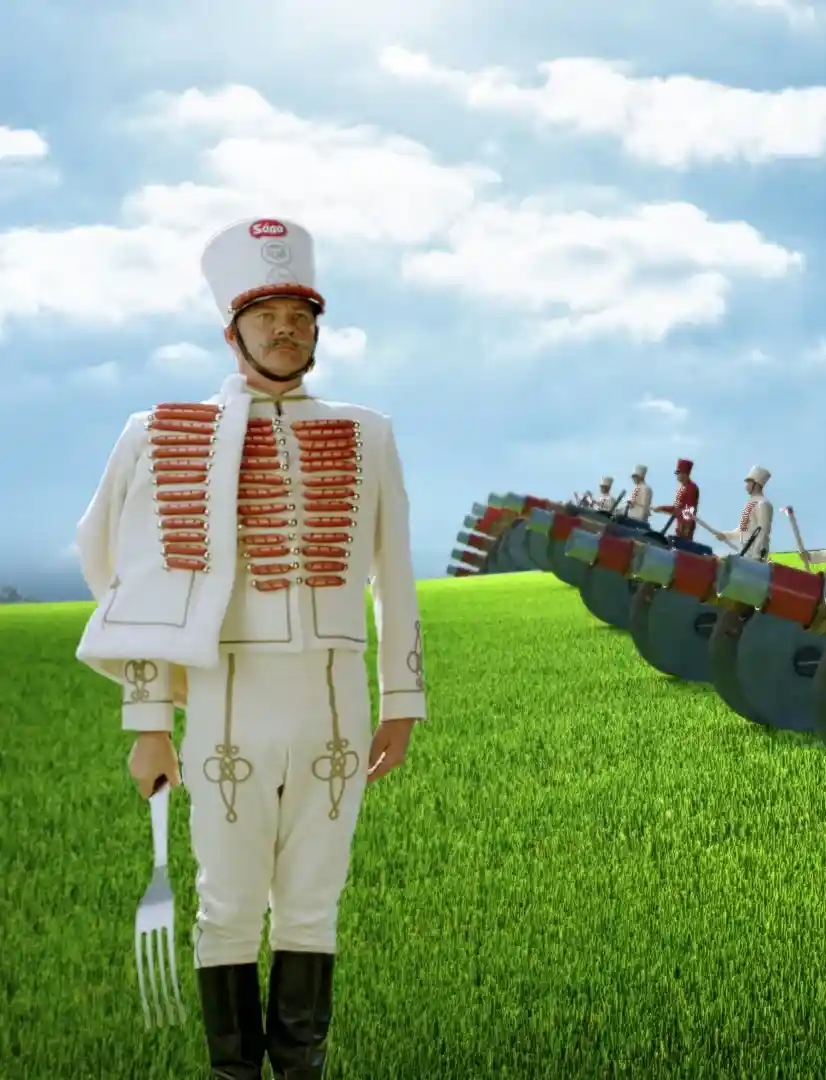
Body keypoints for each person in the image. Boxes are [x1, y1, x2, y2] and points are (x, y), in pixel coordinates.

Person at [73, 216, 426, 1078]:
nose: (285, 328)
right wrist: (150, 718)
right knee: (227, 905)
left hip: (338, 698)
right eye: (265, 314)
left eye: (300, 313)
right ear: (231, 330)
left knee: (315, 902)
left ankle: (300, 1068)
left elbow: (397, 574)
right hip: (227, 692)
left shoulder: (370, 432)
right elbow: (124, 573)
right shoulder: (163, 433)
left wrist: (403, 702)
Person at [706, 465, 775, 560]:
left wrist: (757, 554)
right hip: (745, 551)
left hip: (756, 554)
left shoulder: (763, 503)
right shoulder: (750, 504)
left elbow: (763, 530)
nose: (746, 487)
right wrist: (726, 535)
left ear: (756, 483)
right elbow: (742, 530)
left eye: (749, 483)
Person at [654, 458, 699, 546]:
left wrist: (684, 530)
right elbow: (677, 508)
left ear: (684, 474)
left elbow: (687, 512)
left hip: (685, 528)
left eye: (678, 473)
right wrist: (662, 509)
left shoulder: (691, 488)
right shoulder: (683, 488)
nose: (677, 475)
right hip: (680, 525)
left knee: (682, 546)